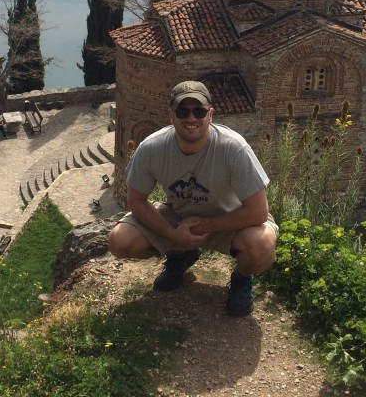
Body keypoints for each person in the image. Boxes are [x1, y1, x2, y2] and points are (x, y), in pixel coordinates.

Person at [107, 80, 278, 316]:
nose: (191, 118)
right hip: (178, 217)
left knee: (262, 245)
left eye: (199, 111)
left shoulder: (234, 148)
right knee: (121, 242)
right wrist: (171, 233)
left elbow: (258, 212)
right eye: (182, 111)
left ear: (210, 115)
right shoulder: (152, 148)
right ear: (171, 115)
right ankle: (181, 254)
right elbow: (136, 200)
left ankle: (242, 278)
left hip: (229, 220)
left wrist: (207, 225)